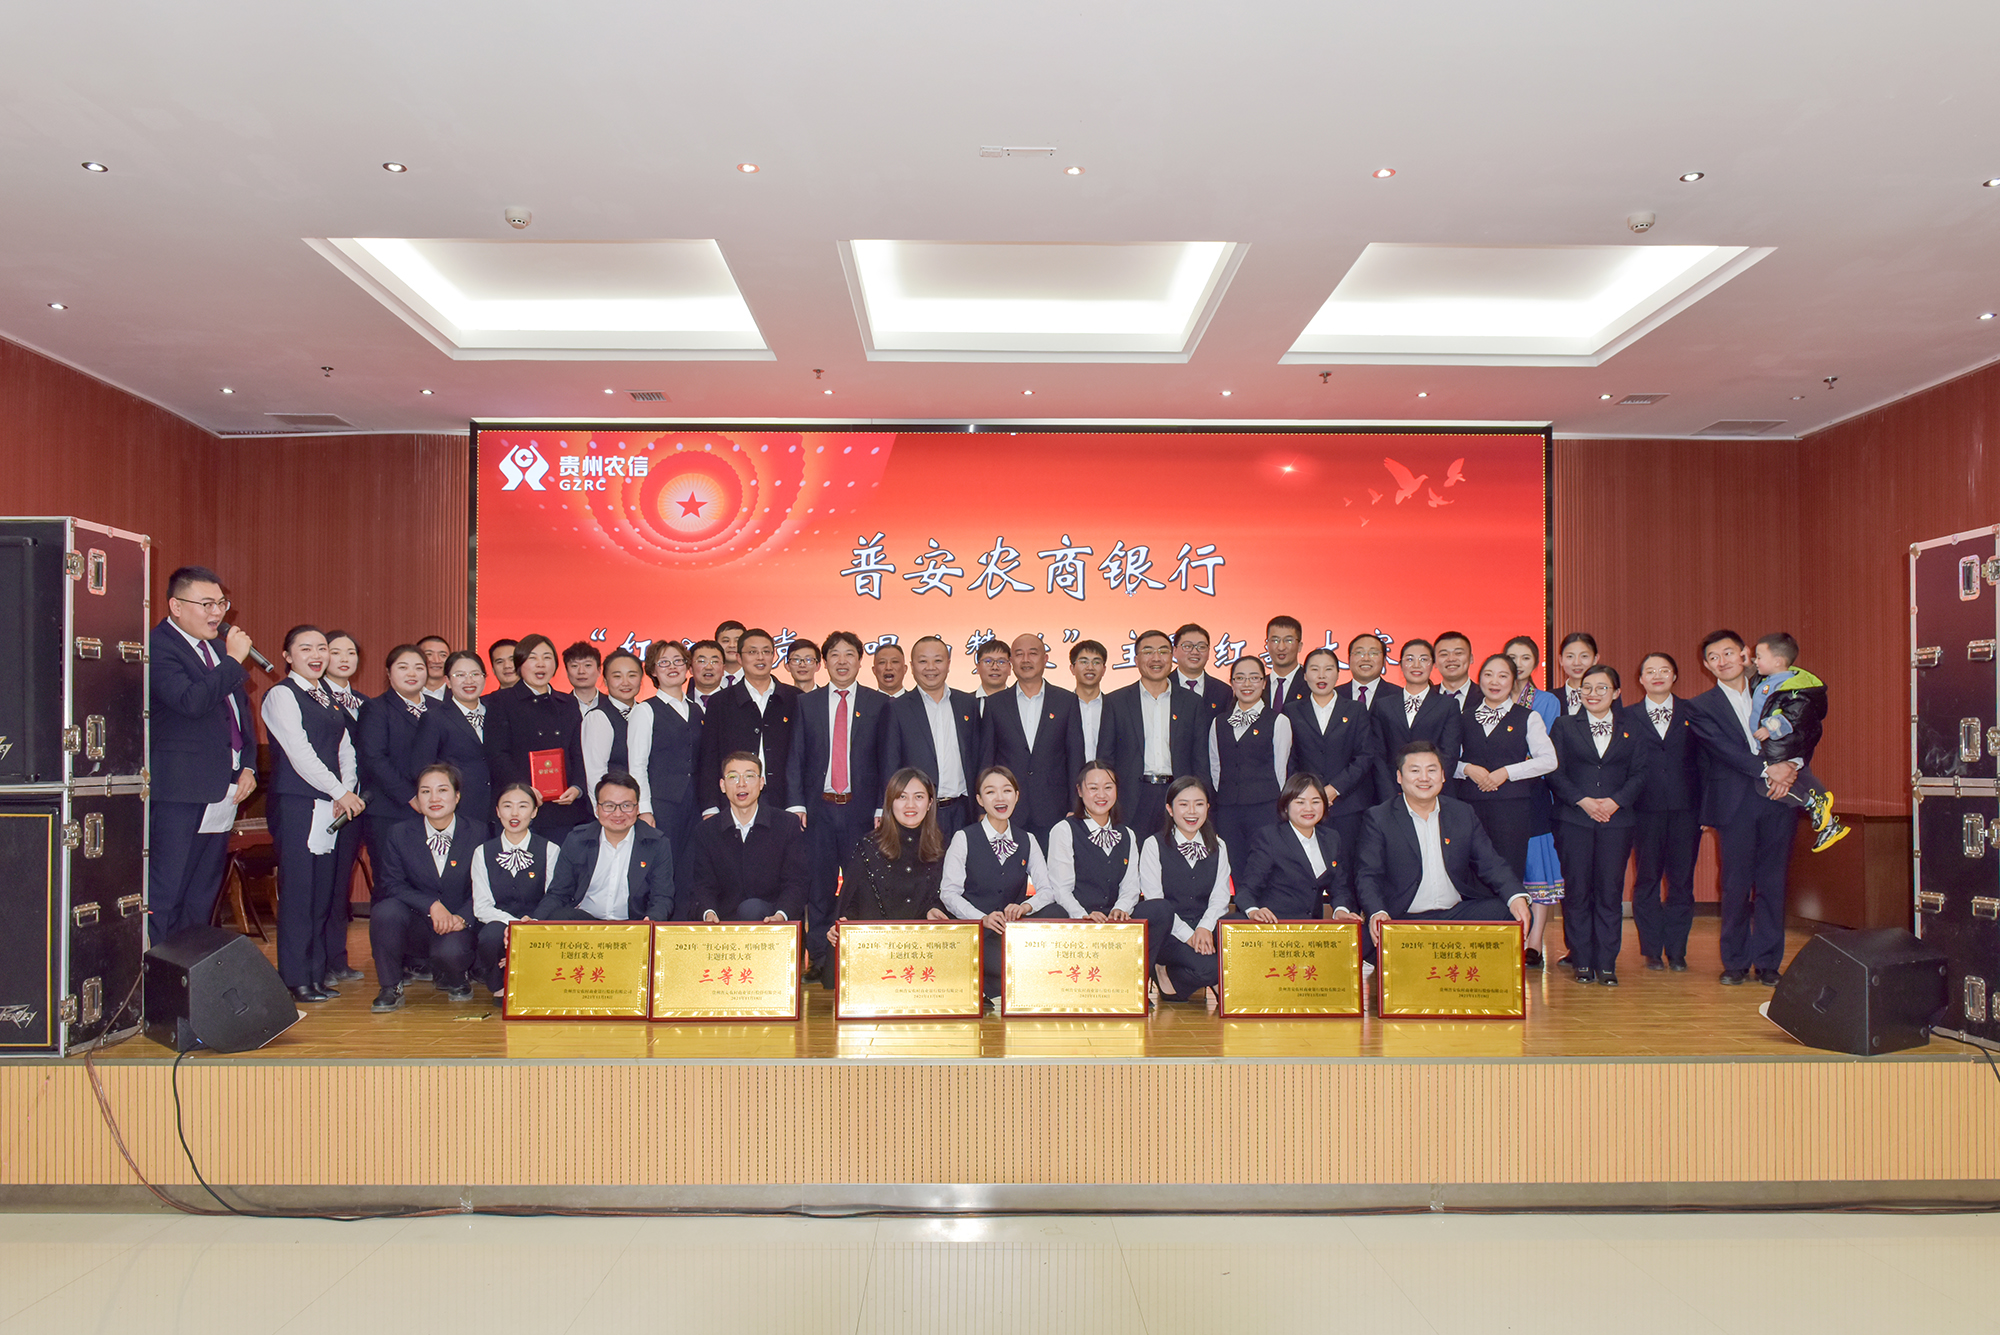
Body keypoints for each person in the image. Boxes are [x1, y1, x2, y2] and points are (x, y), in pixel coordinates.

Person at [1687, 629, 1804, 985]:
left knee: (1773, 882)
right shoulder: (1700, 706)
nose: (1721, 661)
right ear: (1707, 666)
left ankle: (1769, 963)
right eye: (1713, 657)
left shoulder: (1777, 691)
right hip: (1734, 802)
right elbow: (1725, 751)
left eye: (1727, 653)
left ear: (1745, 654)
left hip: (1780, 797)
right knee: (1735, 884)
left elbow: (1802, 731)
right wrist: (1770, 768)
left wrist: (1792, 766)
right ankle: (1735, 962)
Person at [147, 565, 257, 940]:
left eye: (221, 603)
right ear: (176, 606)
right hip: (179, 791)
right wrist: (233, 662)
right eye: (207, 604)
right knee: (167, 890)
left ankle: (190, 969)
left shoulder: (216, 650)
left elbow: (240, 714)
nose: (217, 613)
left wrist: (248, 766)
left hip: (223, 788)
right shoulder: (158, 647)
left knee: (201, 892)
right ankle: (156, 969)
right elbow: (189, 702)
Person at [260, 625, 365, 1001]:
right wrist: (339, 791)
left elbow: (346, 749)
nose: (317, 655)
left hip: (331, 805)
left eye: (322, 648)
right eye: (306, 649)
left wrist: (346, 791)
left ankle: (316, 974)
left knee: (322, 893)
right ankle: (294, 978)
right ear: (288, 656)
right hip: (298, 804)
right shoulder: (281, 695)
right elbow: (299, 751)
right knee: (299, 893)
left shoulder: (328, 697)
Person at [1357, 742, 1532, 946]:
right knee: (1366, 937)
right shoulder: (1379, 817)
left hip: (1455, 916)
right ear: (1399, 777)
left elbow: (1491, 863)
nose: (1424, 778)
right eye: (1415, 771)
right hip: (1402, 919)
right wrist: (1377, 911)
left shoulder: (1462, 813)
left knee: (1515, 913)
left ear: (1442, 775)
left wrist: (1516, 897)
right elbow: (1367, 875)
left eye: (1432, 770)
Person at [787, 631, 889, 970]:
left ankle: (863, 959)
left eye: (849, 655)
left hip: (863, 811)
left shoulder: (878, 704)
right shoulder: (807, 703)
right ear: (824, 662)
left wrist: (882, 806)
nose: (842, 661)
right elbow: (796, 756)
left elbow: (886, 760)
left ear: (860, 661)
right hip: (819, 809)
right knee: (819, 886)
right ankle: (819, 959)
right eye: (834, 654)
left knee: (863, 886)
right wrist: (797, 805)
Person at [1454, 653, 1556, 966]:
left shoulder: (1528, 717)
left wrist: (1506, 773)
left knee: (1508, 875)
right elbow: (1446, 760)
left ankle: (1505, 952)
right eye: (1488, 675)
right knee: (1470, 874)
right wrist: (1467, 768)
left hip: (1512, 811)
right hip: (1468, 809)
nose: (1494, 682)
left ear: (1513, 681)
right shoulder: (1463, 716)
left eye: (1502, 676)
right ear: (1479, 679)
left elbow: (1548, 760)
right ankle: (1472, 949)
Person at [1547, 665, 1647, 986]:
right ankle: (1581, 960)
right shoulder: (1564, 725)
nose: (1593, 694)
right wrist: (1583, 801)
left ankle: (1606, 963)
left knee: (1609, 890)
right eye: (1586, 688)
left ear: (1616, 693)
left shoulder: (1632, 727)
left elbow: (1641, 773)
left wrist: (1615, 801)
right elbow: (1554, 772)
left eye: (1602, 688)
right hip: (1574, 819)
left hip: (1618, 821)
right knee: (1577, 890)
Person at [367, 762, 481, 1010]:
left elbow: (487, 887)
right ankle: (390, 986)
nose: (434, 798)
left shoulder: (478, 832)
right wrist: (431, 905)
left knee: (451, 953)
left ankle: (456, 975)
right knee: (384, 911)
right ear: (417, 798)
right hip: (417, 921)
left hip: (457, 923)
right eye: (425, 791)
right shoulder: (399, 833)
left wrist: (462, 917)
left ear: (457, 796)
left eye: (442, 790)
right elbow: (391, 884)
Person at [941, 766, 1049, 1003]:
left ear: (1017, 796)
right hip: (977, 931)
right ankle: (994, 985)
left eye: (1007, 790)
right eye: (990, 792)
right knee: (1008, 963)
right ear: (980, 800)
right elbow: (949, 893)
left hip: (1013, 933)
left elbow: (1047, 890)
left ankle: (994, 986)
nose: (1000, 798)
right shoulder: (964, 838)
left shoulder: (1028, 839)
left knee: (1056, 912)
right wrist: (982, 918)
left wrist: (1025, 907)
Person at [977, 633, 1085, 845]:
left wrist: (1076, 806)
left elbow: (1075, 757)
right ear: (1011, 662)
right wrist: (982, 809)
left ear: (1045, 659)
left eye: (1033, 653)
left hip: (1054, 810)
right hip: (1005, 809)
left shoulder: (1066, 701)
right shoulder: (995, 704)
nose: (1026, 660)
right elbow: (986, 759)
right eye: (1019, 654)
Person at [1630, 652, 1702, 970]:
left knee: (1682, 881)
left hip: (1687, 810)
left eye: (1664, 670)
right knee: (1647, 878)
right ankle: (1651, 950)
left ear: (1674, 676)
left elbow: (1705, 762)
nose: (1657, 675)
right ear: (1641, 679)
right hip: (1643, 810)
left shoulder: (1693, 712)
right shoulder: (1626, 716)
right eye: (1650, 671)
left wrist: (1707, 810)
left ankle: (1677, 950)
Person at [1132, 776, 1231, 1007]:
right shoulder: (1153, 845)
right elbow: (1156, 901)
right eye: (1183, 804)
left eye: (1199, 804)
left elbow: (1220, 896)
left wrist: (1204, 928)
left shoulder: (1219, 845)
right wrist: (1189, 936)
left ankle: (1168, 978)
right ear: (1170, 809)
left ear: (1207, 807)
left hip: (1204, 928)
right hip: (1170, 933)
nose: (1192, 811)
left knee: (1234, 947)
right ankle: (1162, 966)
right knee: (1210, 969)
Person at [682, 751, 809, 924]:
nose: (741, 784)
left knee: (751, 909)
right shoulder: (706, 831)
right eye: (733, 777)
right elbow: (702, 886)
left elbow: (796, 883)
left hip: (772, 921)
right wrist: (708, 914)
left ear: (761, 783)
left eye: (749, 776)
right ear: (722, 785)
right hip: (724, 925)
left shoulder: (786, 824)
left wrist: (781, 915)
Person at [1749, 632, 1849, 851]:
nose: (1755, 661)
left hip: (1781, 745)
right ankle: (1829, 824)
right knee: (1801, 776)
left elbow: (1794, 715)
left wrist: (1770, 729)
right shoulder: (1768, 680)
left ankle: (1812, 802)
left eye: (1759, 657)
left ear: (1777, 661)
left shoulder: (1791, 687)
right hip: (1780, 746)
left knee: (1765, 784)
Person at [1103, 629, 1208, 836]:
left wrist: (1200, 800)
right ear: (1136, 659)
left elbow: (1200, 759)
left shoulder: (1192, 702)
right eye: (1148, 652)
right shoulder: (1116, 702)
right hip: (1132, 797)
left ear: (1172, 656)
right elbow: (1106, 757)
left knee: (1175, 853)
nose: (1156, 658)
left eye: (1163, 651)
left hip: (1179, 795)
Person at [485, 633, 589, 841]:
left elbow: (577, 751)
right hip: (519, 806)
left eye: (547, 657)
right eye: (532, 658)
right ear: (519, 664)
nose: (541, 664)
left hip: (562, 808)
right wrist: (524, 789)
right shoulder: (501, 701)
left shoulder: (567, 703)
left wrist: (577, 787)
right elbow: (497, 754)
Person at [532, 772, 676, 920]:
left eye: (626, 806)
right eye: (609, 806)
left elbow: (662, 898)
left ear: (637, 808)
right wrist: (535, 922)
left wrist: (651, 921)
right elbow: (558, 894)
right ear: (597, 809)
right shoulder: (577, 840)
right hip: (586, 923)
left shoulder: (657, 844)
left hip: (633, 925)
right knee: (561, 916)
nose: (618, 814)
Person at [1502, 635, 1567, 961]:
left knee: (1536, 868)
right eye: (1512, 657)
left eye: (1525, 658)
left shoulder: (1546, 701)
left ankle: (1535, 942)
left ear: (1536, 663)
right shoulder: (1488, 696)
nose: (1518, 664)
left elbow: (1545, 750)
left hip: (1534, 791)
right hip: (1498, 792)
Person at [1285, 646, 1382, 862]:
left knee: (1346, 866)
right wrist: (1306, 793)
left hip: (1348, 805)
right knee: (1307, 865)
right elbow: (1290, 758)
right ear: (1305, 675)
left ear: (1338, 674)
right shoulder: (1291, 710)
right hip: (1305, 806)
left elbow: (1365, 756)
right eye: (1314, 669)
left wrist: (1334, 789)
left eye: (1328, 669)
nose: (1321, 675)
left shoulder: (1355, 710)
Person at [830, 769, 950, 943]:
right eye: (902, 797)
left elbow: (949, 897)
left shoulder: (943, 847)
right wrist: (844, 923)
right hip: (878, 946)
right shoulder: (869, 846)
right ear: (890, 802)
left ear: (930, 803)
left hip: (926, 946)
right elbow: (852, 901)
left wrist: (936, 910)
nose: (910, 805)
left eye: (918, 797)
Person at [882, 635, 980, 839]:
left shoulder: (968, 704)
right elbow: (891, 764)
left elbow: (978, 758)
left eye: (937, 660)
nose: (931, 667)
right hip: (918, 813)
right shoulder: (897, 709)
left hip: (963, 811)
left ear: (949, 664)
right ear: (912, 666)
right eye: (923, 661)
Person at [697, 627, 800, 817]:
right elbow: (709, 757)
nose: (760, 657)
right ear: (739, 658)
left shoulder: (794, 698)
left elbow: (803, 756)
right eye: (752, 652)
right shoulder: (720, 702)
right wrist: (710, 806)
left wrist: (798, 804)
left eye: (766, 651)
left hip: (784, 800)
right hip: (733, 799)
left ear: (774, 656)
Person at [467, 783, 558, 998]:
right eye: (507, 806)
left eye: (523, 806)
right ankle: (499, 985)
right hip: (500, 922)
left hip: (538, 921)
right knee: (490, 935)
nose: (514, 813)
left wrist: (531, 925)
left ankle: (539, 980)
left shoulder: (550, 849)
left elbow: (553, 897)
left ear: (534, 811)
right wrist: (515, 926)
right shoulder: (482, 852)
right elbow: (482, 907)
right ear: (498, 811)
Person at [1238, 772, 1362, 923]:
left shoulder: (1331, 838)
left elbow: (1339, 887)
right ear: (1285, 806)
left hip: (1312, 928)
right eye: (1300, 802)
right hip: (1275, 926)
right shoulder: (1269, 838)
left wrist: (1341, 910)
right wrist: (1254, 911)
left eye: (1315, 802)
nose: (1308, 808)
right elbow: (1247, 891)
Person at [318, 630, 368, 986]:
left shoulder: (365, 703)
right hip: (324, 802)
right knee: (320, 885)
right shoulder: (314, 698)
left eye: (351, 652)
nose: (345, 659)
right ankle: (316, 961)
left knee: (340, 886)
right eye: (336, 652)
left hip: (356, 805)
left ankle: (337, 958)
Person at [1207, 654, 1291, 855]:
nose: (1247, 684)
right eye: (1240, 678)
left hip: (1265, 808)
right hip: (1228, 810)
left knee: (1264, 861)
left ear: (1264, 683)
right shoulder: (1219, 722)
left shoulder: (1279, 721)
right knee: (1232, 862)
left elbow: (1281, 770)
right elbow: (1215, 767)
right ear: (1232, 683)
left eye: (1254, 678)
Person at [1038, 761, 1141, 920]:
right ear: (1079, 791)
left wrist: (1120, 909)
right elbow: (1061, 889)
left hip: (1114, 920)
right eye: (1093, 788)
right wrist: (1083, 916)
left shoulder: (1127, 834)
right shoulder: (1064, 830)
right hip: (1078, 918)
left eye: (1108, 787)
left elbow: (1130, 886)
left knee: (1158, 910)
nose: (1101, 795)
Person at [357, 643, 430, 868]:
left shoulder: (439, 708)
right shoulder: (375, 709)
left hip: (434, 808)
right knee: (392, 878)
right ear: (389, 673)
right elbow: (373, 758)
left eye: (419, 667)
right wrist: (411, 795)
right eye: (403, 667)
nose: (412, 673)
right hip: (390, 810)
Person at [410, 649, 495, 842]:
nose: (469, 681)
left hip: (498, 811)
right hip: (460, 810)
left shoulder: (496, 712)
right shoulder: (434, 718)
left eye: (475, 674)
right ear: (447, 681)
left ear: (484, 677)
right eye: (460, 675)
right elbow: (421, 767)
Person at [639, 639, 705, 859]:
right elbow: (637, 764)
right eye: (664, 662)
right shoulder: (645, 710)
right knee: (664, 862)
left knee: (693, 863)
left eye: (678, 661)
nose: (672, 667)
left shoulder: (697, 710)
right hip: (662, 805)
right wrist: (644, 809)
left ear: (687, 667)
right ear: (653, 671)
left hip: (695, 803)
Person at [1371, 637, 1463, 788]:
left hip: (1433, 790)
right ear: (1400, 665)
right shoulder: (1383, 705)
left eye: (1423, 659)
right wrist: (1388, 791)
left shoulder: (1448, 705)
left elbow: (1449, 754)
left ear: (1433, 664)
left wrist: (1428, 788)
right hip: (1391, 790)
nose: (1416, 665)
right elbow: (1378, 755)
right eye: (1410, 659)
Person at [581, 647, 651, 813]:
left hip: (645, 806)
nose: (625, 682)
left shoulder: (647, 712)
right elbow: (594, 774)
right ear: (605, 681)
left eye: (632, 675)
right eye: (617, 676)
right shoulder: (599, 716)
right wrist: (604, 812)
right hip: (616, 811)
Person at [1172, 622, 1233, 732]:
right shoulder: (1162, 686)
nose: (1195, 652)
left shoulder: (1224, 692)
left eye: (1201, 647)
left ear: (1209, 652)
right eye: (1187, 646)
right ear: (1174, 651)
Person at [1070, 639, 1112, 762]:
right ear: (1072, 668)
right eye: (1084, 662)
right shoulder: (1061, 708)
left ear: (1104, 669)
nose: (1090, 667)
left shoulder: (1114, 707)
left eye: (1096, 662)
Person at [1264, 616, 1309, 711]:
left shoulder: (1311, 684)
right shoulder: (1258, 685)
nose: (1281, 647)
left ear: (1299, 646)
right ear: (1267, 645)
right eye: (1275, 640)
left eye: (1288, 640)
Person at [1556, 633, 1600, 717]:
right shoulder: (1551, 698)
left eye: (1584, 656)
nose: (1577, 663)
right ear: (1561, 660)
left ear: (1595, 659)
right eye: (1570, 656)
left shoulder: (1605, 695)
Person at [1434, 630, 1476, 710]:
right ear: (1435, 661)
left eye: (1458, 653)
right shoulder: (1424, 697)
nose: (1451, 659)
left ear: (1471, 658)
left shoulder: (1487, 696)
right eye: (1444, 654)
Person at [561, 640, 604, 718]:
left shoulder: (612, 705)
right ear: (567, 672)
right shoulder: (560, 707)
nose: (581, 671)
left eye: (587, 665)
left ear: (599, 671)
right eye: (574, 666)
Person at [689, 638, 729, 707]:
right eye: (702, 661)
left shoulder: (735, 703)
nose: (708, 667)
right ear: (691, 669)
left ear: (723, 669)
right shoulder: (680, 704)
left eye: (714, 661)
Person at [973, 637, 1014, 705]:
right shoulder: (965, 703)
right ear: (978, 667)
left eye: (1001, 662)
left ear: (1009, 668)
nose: (995, 667)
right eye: (988, 661)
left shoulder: (1018, 702)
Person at [416, 635, 451, 700]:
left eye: (443, 655)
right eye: (429, 654)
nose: (437, 661)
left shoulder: (459, 694)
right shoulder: (407, 693)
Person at [715, 620, 746, 687]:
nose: (732, 645)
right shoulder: (704, 679)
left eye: (737, 641)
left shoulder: (757, 679)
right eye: (726, 641)